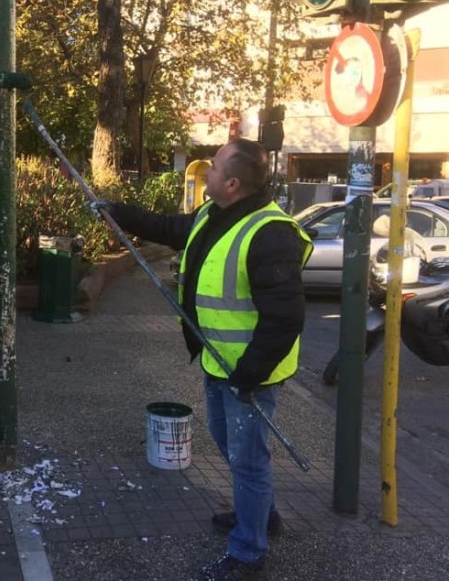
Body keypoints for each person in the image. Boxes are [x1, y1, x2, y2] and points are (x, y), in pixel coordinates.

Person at [101, 139, 312, 581]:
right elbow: (168, 227)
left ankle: (249, 551)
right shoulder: (212, 215)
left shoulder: (270, 234)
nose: (206, 173)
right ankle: (262, 515)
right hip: (219, 362)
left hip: (249, 374)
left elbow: (286, 317)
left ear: (232, 183)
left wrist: (249, 375)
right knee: (234, 448)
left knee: (247, 459)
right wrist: (117, 211)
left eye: (213, 168)